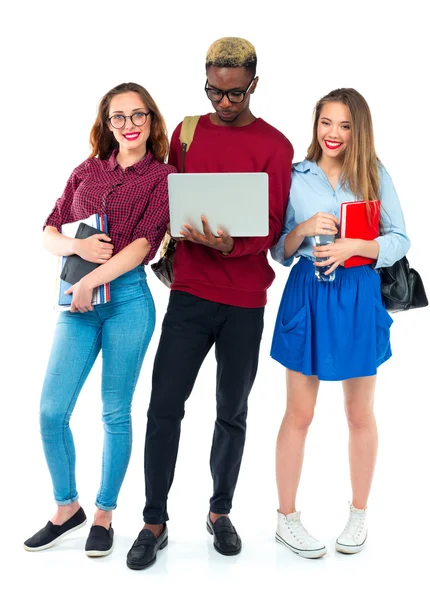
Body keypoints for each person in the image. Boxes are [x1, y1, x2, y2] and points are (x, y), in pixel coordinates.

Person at [126, 37, 294, 570]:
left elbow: (270, 226)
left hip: (245, 298)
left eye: (235, 93)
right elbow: (169, 190)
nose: (223, 103)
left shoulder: (276, 146)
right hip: (190, 292)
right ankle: (154, 520)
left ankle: (220, 512)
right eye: (214, 91)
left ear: (254, 85)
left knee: (232, 411)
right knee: (163, 407)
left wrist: (232, 244)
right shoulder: (186, 131)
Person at [24, 82, 176, 557]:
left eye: (138, 116)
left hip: (127, 301)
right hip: (78, 305)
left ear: (151, 120)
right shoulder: (87, 170)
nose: (129, 126)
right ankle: (67, 508)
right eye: (119, 117)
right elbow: (49, 231)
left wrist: (92, 280)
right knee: (51, 412)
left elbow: (143, 245)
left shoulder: (163, 177)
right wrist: (77, 248)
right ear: (106, 124)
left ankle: (105, 515)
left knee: (114, 411)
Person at [270, 88, 410, 558]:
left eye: (345, 125)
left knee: (358, 414)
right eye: (326, 123)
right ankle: (286, 519)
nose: (333, 134)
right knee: (299, 414)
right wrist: (304, 230)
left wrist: (355, 247)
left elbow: (400, 240)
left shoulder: (373, 173)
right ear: (316, 126)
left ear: (359, 130)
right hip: (307, 292)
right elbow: (279, 252)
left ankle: (359, 514)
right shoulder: (295, 176)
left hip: (356, 294)